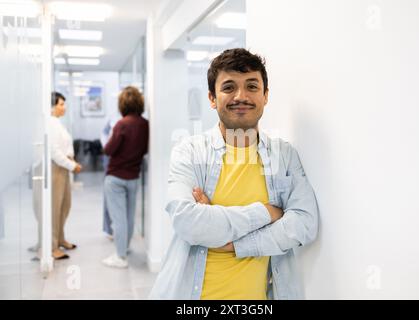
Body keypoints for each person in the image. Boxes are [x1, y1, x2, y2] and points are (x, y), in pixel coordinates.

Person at [150, 48, 319, 300]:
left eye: (252, 86)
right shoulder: (190, 152)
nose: (241, 96)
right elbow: (188, 222)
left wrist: (233, 243)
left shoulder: (284, 155)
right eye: (229, 87)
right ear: (212, 98)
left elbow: (305, 224)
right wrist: (268, 213)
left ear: (265, 95)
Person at [102, 86, 149, 268]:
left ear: (122, 104)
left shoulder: (121, 124)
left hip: (115, 177)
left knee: (118, 218)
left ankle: (120, 257)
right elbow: (144, 149)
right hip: (133, 177)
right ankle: (124, 248)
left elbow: (109, 149)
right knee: (129, 216)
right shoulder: (145, 124)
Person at [49, 92, 82, 260]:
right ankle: (52, 247)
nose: (64, 107)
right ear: (52, 106)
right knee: (55, 208)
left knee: (64, 206)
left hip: (64, 168)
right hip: (58, 168)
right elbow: (54, 152)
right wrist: (72, 165)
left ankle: (61, 238)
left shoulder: (57, 123)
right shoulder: (51, 123)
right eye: (61, 104)